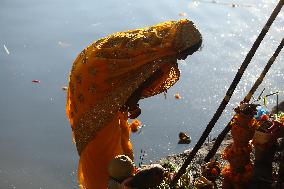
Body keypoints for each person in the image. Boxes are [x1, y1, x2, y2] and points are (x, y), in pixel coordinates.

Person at [66, 19, 202, 189]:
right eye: (186, 53)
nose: (184, 57)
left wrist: (126, 101)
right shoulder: (160, 61)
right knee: (99, 142)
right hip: (97, 90)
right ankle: (99, 183)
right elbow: (135, 88)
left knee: (102, 135)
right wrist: (133, 106)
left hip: (87, 71)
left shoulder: (151, 40)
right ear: (181, 46)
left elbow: (130, 81)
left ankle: (116, 177)